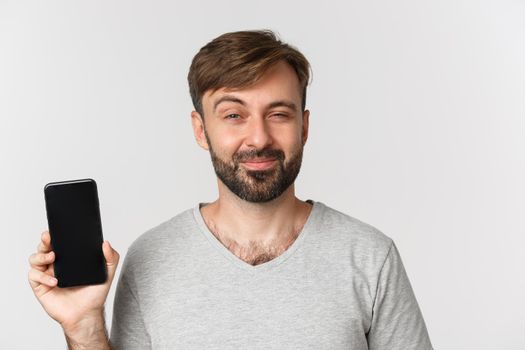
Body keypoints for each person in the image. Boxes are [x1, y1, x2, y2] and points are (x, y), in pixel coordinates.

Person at [28, 29, 433, 349]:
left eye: (278, 113)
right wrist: (83, 327)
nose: (258, 138)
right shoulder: (150, 258)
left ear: (304, 127)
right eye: (234, 115)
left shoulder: (370, 256)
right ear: (201, 130)